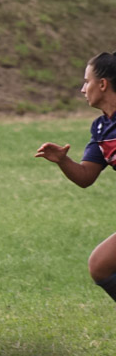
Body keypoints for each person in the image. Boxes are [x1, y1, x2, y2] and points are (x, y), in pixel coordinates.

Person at [36, 52, 116, 306]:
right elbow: (86, 176)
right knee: (100, 265)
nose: (83, 89)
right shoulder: (102, 128)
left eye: (86, 81)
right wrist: (63, 160)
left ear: (102, 84)